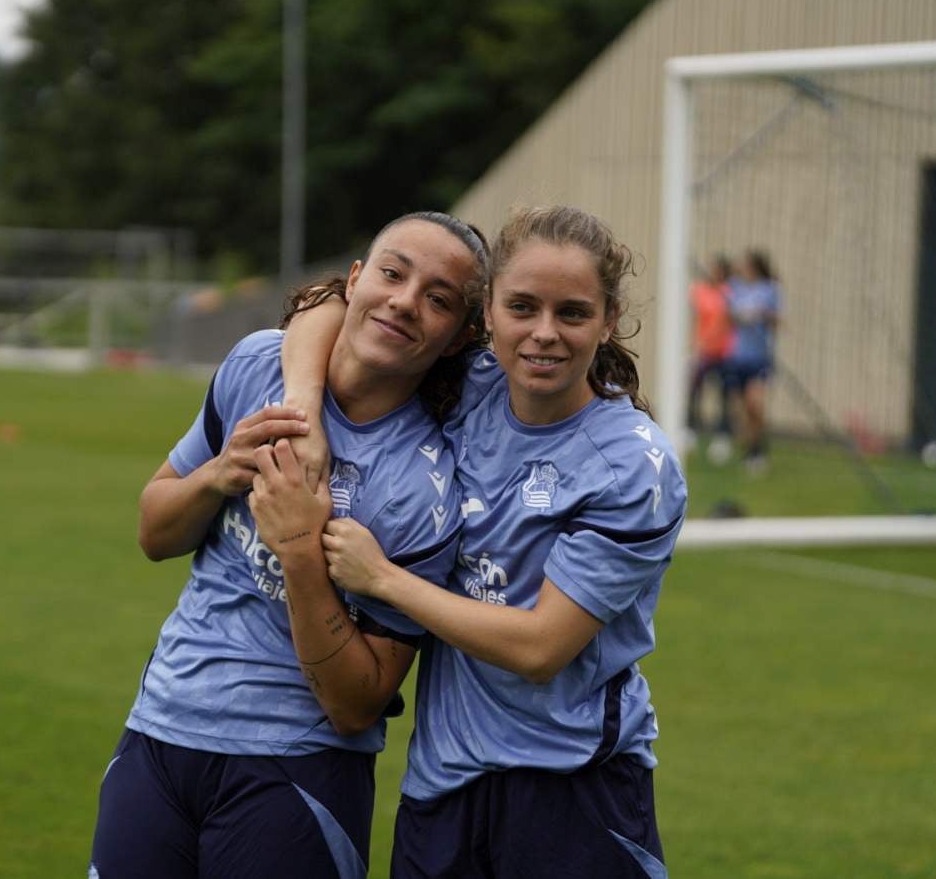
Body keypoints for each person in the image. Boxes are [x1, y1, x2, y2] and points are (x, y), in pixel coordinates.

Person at [281, 204, 687, 878]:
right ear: (488, 313)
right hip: (441, 785)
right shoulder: (471, 382)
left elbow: (539, 649)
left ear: (609, 319)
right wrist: (301, 405)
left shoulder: (631, 467)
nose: (544, 334)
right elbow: (328, 306)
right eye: (522, 307)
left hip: (572, 787)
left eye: (572, 313)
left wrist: (382, 579)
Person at [89, 211, 489, 879]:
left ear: (459, 338)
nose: (404, 301)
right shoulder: (257, 365)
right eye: (392, 273)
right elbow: (154, 534)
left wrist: (301, 550)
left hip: (297, 769)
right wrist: (219, 474)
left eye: (438, 299)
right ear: (355, 280)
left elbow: (354, 705)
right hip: (159, 730)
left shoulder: (427, 490)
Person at [725, 248, 781, 474]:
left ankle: (758, 449)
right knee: (742, 409)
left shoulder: (770, 289)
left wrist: (761, 314)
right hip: (739, 356)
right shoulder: (737, 289)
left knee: (754, 403)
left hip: (760, 357)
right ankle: (752, 449)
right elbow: (729, 317)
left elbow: (777, 321)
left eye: (747, 264)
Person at [687, 253, 735, 463]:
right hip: (703, 351)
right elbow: (696, 317)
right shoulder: (700, 290)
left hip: (724, 352)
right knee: (694, 390)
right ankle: (691, 430)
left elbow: (728, 322)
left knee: (724, 395)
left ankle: (723, 436)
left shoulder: (729, 292)